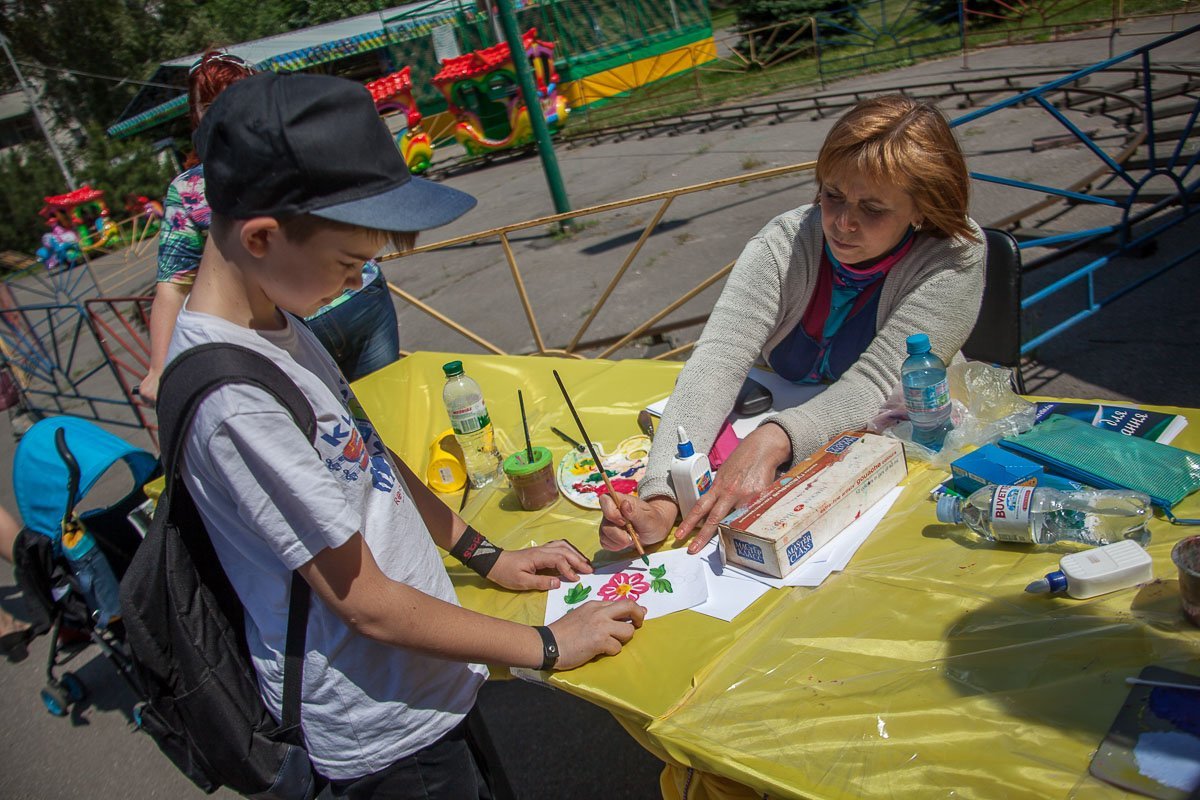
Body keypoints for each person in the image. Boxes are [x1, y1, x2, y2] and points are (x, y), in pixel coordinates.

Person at [171, 72, 644, 797]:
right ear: (261, 237)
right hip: (383, 726)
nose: (357, 282)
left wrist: (486, 555)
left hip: (426, 676)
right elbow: (365, 602)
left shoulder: (275, 317)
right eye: (347, 264)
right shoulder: (236, 402)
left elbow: (368, 456)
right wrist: (548, 644)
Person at [600, 94, 986, 556]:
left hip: (911, 441)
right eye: (832, 196)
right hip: (790, 431)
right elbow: (719, 359)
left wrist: (774, 438)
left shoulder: (955, 256)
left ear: (921, 209)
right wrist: (661, 496)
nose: (843, 223)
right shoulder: (784, 243)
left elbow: (880, 381)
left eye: (873, 209)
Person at [139, 51, 402, 405]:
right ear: (196, 115)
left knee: (388, 410)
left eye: (238, 94)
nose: (227, 109)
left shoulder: (304, 150)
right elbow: (173, 284)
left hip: (362, 304)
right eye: (211, 104)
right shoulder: (189, 189)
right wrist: (159, 368)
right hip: (294, 324)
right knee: (330, 420)